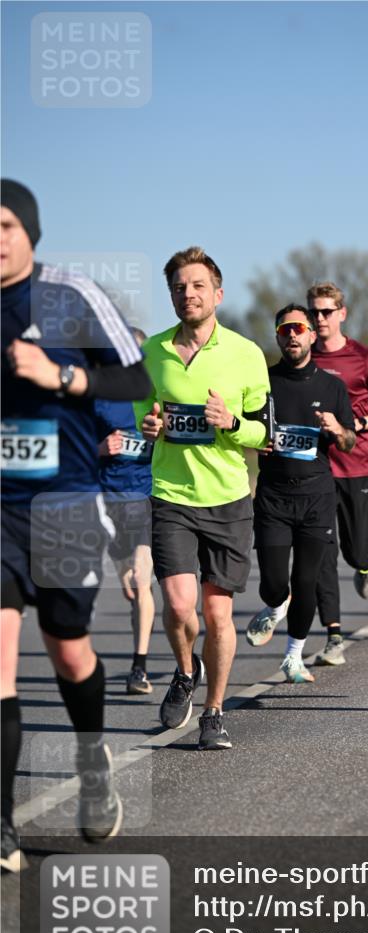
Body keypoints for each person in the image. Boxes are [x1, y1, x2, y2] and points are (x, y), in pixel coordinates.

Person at [1, 180, 151, 871]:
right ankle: (2, 825)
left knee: (67, 648)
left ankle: (93, 764)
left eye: (6, 224)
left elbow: (134, 383)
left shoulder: (71, 294)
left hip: (64, 502)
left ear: (30, 231)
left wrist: (62, 380)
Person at [135, 246, 270, 750]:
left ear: (217, 293)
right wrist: (147, 427)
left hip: (229, 497)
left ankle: (213, 711)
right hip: (171, 494)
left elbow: (266, 434)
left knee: (216, 616)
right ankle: (185, 670)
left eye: (196, 286)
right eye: (177, 287)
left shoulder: (246, 353)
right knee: (176, 604)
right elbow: (140, 419)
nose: (186, 294)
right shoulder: (151, 352)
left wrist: (232, 424)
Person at [245, 304, 356, 682]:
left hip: (316, 497)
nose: (292, 335)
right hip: (274, 496)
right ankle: (275, 605)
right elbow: (244, 428)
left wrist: (338, 428)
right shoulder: (262, 383)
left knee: (307, 580)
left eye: (299, 329)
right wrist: (254, 443)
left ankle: (294, 656)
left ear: (312, 335)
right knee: (274, 582)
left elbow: (349, 443)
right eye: (285, 330)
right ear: (277, 336)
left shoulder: (331, 386)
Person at [308, 282, 368, 666]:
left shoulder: (364, 357)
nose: (320, 319)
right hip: (314, 470)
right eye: (314, 312)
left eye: (327, 311)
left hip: (356, 466)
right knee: (321, 553)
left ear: (342, 313)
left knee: (352, 549)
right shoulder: (302, 358)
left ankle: (365, 561)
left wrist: (355, 425)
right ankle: (333, 636)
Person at [96, 329, 155, 694]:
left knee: (142, 582)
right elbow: (71, 447)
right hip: (109, 500)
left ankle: (140, 667)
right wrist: (99, 448)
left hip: (147, 498)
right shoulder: (98, 400)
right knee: (130, 587)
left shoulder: (155, 397)